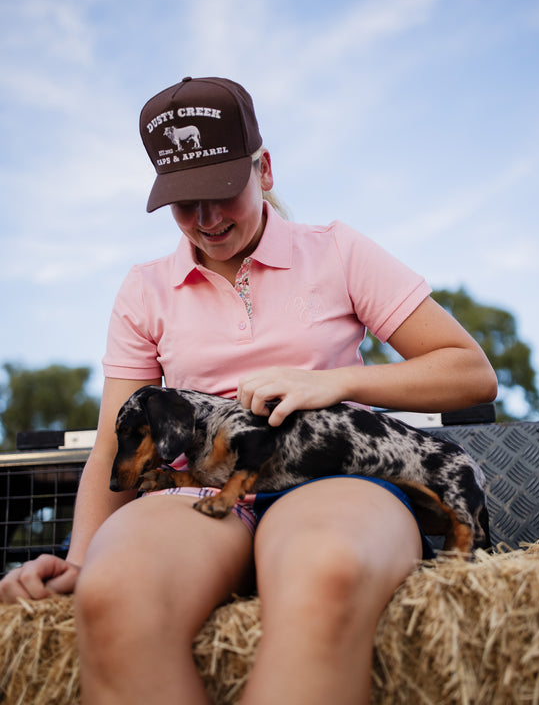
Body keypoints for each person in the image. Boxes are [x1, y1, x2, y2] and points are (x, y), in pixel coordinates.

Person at [0, 77, 497, 704]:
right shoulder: (144, 290)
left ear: (263, 169)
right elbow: (112, 444)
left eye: (221, 193)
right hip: (199, 493)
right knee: (113, 597)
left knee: (327, 573)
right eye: (185, 203)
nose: (206, 221)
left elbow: (470, 371)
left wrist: (328, 384)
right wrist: (81, 559)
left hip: (333, 478)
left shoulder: (338, 251)